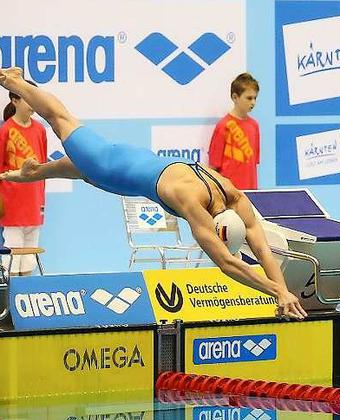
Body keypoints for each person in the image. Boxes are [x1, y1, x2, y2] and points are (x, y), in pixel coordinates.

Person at [0, 67, 307, 320]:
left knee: (87, 172)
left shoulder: (232, 193)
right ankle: (15, 81)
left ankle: (34, 173)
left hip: (126, 164)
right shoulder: (191, 202)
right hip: (113, 168)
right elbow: (228, 264)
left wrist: (283, 294)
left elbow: (261, 246)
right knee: (61, 120)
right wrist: (276, 290)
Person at [1, 80, 46, 276]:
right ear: (15, 100)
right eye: (27, 96)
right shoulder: (4, 130)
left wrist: (41, 201)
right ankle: (8, 301)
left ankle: (25, 300)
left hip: (34, 203)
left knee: (29, 257)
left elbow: (44, 168)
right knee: (12, 252)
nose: (32, 102)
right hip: (12, 204)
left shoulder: (40, 130)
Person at [209, 73, 261, 190]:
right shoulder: (223, 126)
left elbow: (253, 163)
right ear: (235, 97)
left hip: (250, 192)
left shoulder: (254, 126)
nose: (253, 102)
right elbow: (213, 167)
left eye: (255, 98)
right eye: (249, 98)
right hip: (228, 193)